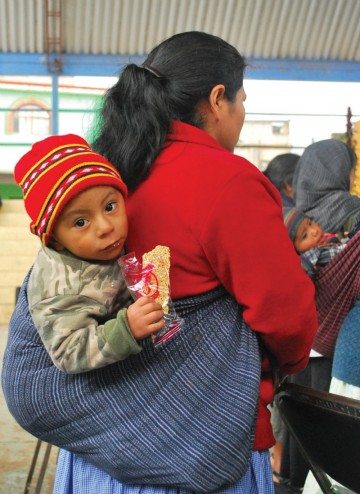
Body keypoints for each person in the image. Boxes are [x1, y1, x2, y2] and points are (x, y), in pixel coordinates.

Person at [2, 31, 317, 494]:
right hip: (200, 447)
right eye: (241, 101)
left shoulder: (109, 168)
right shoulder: (227, 182)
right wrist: (280, 361)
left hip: (98, 454)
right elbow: (287, 320)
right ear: (217, 100)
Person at [14, 133, 165, 373]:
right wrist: (126, 328)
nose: (106, 227)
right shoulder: (60, 289)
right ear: (55, 239)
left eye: (110, 206)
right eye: (81, 222)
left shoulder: (106, 244)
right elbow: (68, 353)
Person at [279, 138, 360, 492]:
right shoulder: (354, 213)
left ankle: (292, 481)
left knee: (299, 419)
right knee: (334, 430)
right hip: (340, 345)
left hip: (300, 340)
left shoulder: (293, 218)